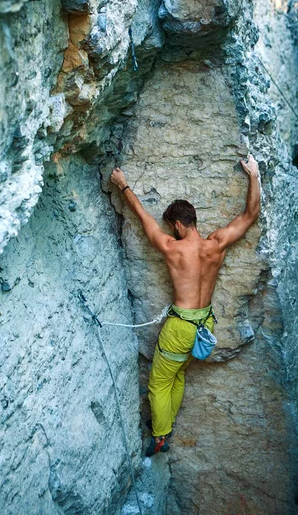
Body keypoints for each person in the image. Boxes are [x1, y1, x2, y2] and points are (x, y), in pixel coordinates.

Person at [110, 155, 260, 456]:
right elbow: (250, 214)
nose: (170, 232)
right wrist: (254, 176)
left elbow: (144, 220)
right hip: (205, 325)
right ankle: (169, 425)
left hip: (180, 327)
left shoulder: (173, 249)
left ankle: (161, 436)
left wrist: (123, 186)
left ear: (178, 224)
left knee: (159, 382)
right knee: (177, 374)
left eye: (172, 227)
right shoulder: (216, 244)